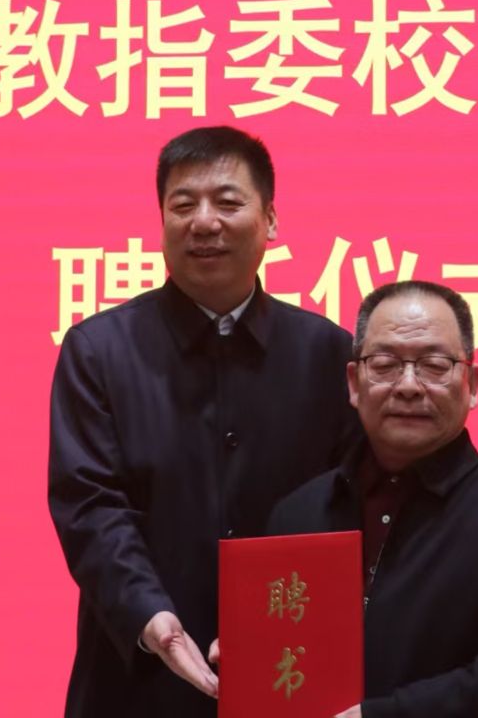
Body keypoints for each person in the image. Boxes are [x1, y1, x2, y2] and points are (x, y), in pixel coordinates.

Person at [49, 126, 354, 717]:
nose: (204, 222)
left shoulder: (328, 354)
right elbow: (90, 506)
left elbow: (348, 510)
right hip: (133, 675)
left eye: (228, 202)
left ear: (270, 220)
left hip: (289, 673)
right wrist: (149, 616)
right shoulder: (99, 351)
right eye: (183, 205)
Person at [265, 280, 478, 717]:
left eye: (434, 366)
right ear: (354, 383)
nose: (408, 386)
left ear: (472, 383)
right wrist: (252, 655)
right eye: (385, 365)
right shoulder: (297, 513)